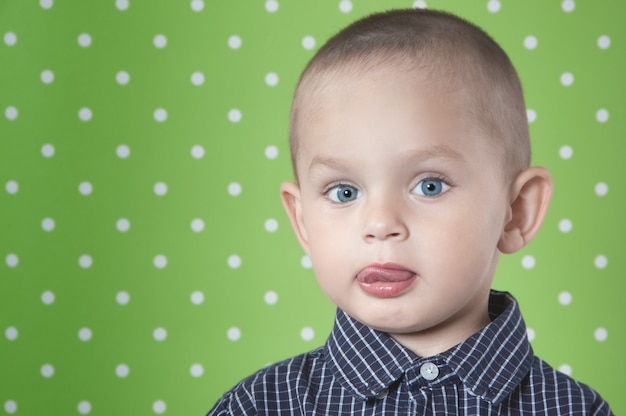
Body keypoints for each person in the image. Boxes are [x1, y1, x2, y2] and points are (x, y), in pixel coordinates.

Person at [207, 8, 613, 415]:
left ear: (516, 210)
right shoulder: (258, 406)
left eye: (429, 186)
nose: (380, 223)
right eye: (344, 192)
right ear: (302, 221)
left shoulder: (575, 409)